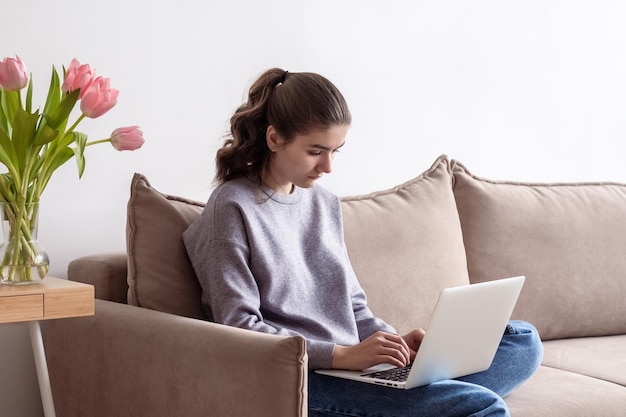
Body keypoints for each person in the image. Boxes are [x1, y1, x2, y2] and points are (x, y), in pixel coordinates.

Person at [183, 68, 543, 417]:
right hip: (301, 378)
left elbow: (353, 308)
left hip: (354, 369)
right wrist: (341, 356)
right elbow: (239, 328)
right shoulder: (232, 207)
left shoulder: (323, 204)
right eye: (315, 151)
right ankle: (435, 403)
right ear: (275, 138)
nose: (327, 167)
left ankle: (421, 400)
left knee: (523, 340)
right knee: (482, 405)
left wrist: (395, 344)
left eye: (335, 151)